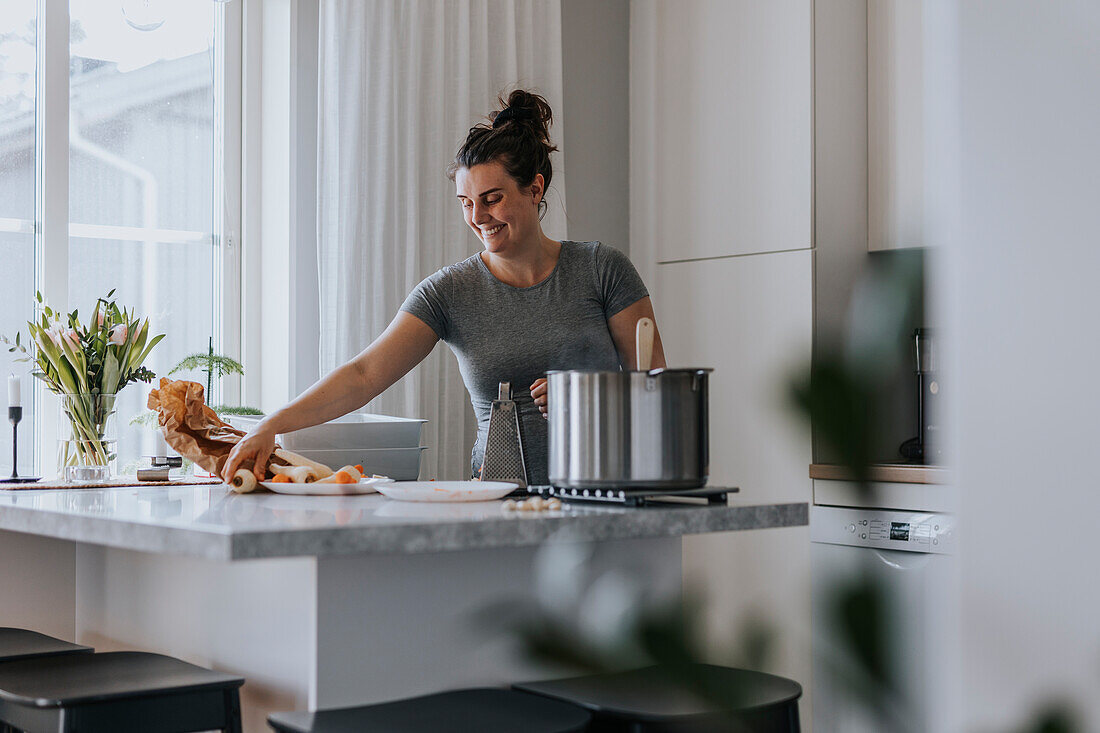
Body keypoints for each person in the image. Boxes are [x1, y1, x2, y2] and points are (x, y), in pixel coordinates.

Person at [222, 89, 666, 486]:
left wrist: (592, 396)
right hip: (496, 500)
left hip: (608, 493)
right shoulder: (448, 292)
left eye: (492, 199)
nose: (477, 217)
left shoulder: (601, 269)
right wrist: (269, 426)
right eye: (467, 203)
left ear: (535, 188)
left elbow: (657, 389)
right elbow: (363, 375)